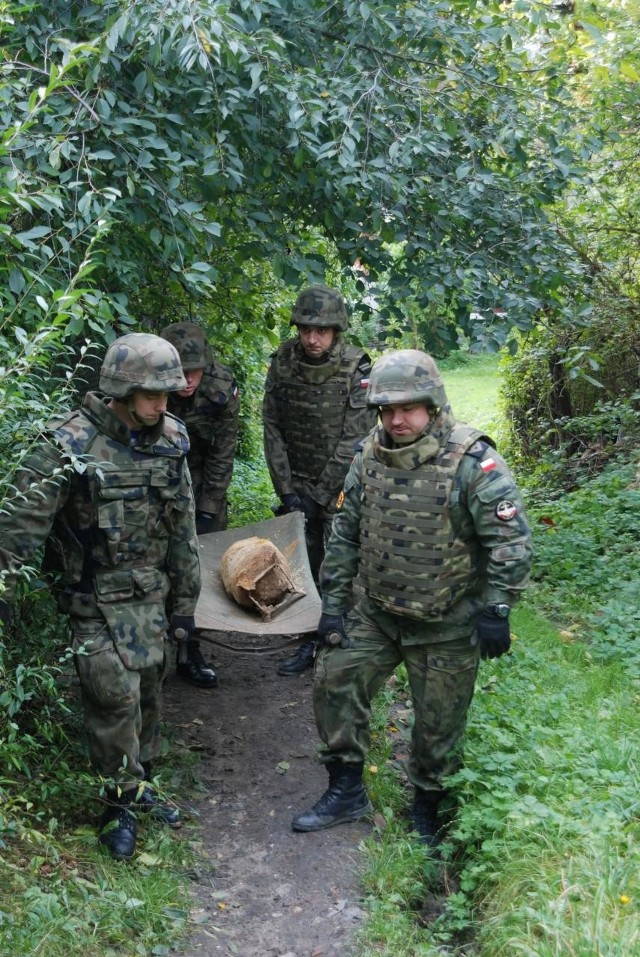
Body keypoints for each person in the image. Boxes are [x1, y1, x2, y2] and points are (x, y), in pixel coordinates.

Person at [291, 349, 533, 844]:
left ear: (433, 404)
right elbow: (345, 533)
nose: (396, 419)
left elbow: (510, 540)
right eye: (386, 409)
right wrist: (333, 606)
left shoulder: (472, 462)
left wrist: (497, 607)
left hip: (446, 622)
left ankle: (427, 804)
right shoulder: (368, 455)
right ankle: (346, 789)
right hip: (377, 612)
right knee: (334, 682)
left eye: (408, 408)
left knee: (438, 726)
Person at [0, 333, 202, 861]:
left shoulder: (172, 439)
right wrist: (4, 586)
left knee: (150, 694)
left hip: (149, 596)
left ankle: (141, 783)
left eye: (168, 394)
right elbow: (22, 525)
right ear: (120, 389)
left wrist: (186, 601)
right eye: (153, 394)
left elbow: (182, 526)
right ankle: (118, 804)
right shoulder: (66, 445)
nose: (164, 404)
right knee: (114, 698)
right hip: (91, 597)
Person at [262, 284, 377, 676]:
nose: (312, 338)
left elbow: (355, 439)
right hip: (298, 486)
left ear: (337, 330)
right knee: (305, 566)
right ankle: (309, 638)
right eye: (306, 329)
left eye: (322, 330)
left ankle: (344, 646)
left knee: (340, 564)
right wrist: (288, 490)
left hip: (341, 487)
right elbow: (272, 426)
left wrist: (320, 495)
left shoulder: (357, 368)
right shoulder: (282, 362)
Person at [160, 321, 240, 689]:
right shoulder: (148, 386)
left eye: (195, 371)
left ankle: (192, 650)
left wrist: (208, 509)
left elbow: (223, 455)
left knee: (202, 570)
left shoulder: (221, 388)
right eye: (181, 372)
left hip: (204, 481)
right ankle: (157, 648)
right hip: (159, 484)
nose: (188, 381)